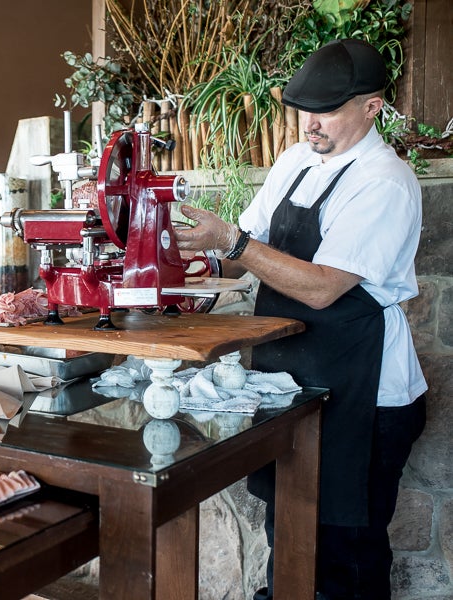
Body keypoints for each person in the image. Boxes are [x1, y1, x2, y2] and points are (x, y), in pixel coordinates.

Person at [174, 39, 427, 600]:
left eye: (327, 110)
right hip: (295, 387)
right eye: (304, 109)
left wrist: (232, 242)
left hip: (366, 399)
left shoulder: (384, 180)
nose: (310, 123)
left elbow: (322, 287)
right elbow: (247, 247)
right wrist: (189, 269)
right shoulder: (295, 160)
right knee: (288, 539)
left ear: (372, 106)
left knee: (345, 561)